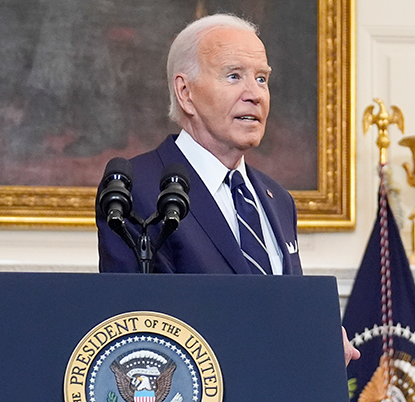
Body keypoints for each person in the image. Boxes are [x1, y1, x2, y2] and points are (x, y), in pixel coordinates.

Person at [96, 13, 359, 365]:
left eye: (262, 79)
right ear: (185, 92)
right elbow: (132, 332)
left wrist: (316, 335)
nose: (255, 95)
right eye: (234, 76)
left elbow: (282, 312)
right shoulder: (138, 188)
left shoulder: (277, 199)